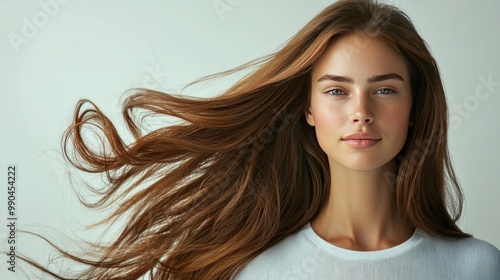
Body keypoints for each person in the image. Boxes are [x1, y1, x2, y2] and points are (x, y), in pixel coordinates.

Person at [22, 0, 499, 279]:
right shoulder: (257, 271)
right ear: (308, 109)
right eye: (337, 90)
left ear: (415, 108)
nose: (361, 113)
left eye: (385, 90)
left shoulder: (478, 268)